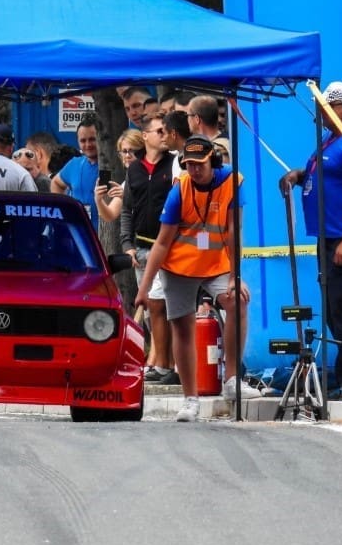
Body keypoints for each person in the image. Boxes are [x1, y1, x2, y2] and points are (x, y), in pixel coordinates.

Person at [135, 134, 260, 423]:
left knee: (237, 302)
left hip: (217, 263)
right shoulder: (179, 190)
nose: (194, 170)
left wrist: (235, 276)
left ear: (212, 161)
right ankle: (190, 399)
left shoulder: (233, 182)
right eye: (189, 164)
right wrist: (145, 288)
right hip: (178, 267)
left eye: (199, 164)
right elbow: (162, 243)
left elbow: (234, 231)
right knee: (183, 328)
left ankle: (231, 380)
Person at [279, 81, 342, 402]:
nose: (320, 114)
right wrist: (299, 176)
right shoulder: (332, 139)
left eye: (327, 108)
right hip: (329, 235)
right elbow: (327, 176)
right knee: (334, 308)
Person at [120, 114, 178, 383]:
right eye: (159, 131)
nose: (164, 135)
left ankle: (168, 363)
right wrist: (127, 243)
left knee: (167, 304)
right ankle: (160, 361)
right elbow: (127, 210)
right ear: (145, 136)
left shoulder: (174, 163)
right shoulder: (134, 169)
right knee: (152, 307)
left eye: (166, 131)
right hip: (142, 247)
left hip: (168, 247)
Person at [51, 116, 102, 229]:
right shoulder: (74, 164)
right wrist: (62, 209)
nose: (88, 145)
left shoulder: (111, 165)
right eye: (83, 141)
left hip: (104, 234)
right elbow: (56, 183)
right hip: (79, 232)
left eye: (92, 139)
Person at [95, 128, 144, 223]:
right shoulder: (126, 183)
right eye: (124, 151)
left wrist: (128, 197)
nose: (127, 156)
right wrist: (98, 200)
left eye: (132, 151)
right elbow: (110, 215)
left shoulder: (152, 175)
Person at [188, 94, 231, 164]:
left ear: (197, 119)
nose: (187, 119)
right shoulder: (201, 145)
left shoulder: (220, 148)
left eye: (188, 115)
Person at [164, 110, 192, 180]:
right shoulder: (176, 159)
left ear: (173, 134)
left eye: (164, 133)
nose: (162, 138)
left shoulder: (197, 157)